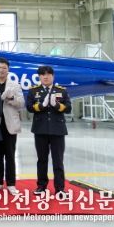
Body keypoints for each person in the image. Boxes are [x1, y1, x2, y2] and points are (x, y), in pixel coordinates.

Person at [26, 65, 72, 196]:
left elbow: (68, 108)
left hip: (58, 130)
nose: (45, 77)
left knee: (58, 160)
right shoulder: (33, 91)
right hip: (40, 130)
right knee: (42, 160)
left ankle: (60, 188)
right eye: (42, 75)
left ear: (53, 76)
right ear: (39, 77)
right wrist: (41, 105)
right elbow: (29, 107)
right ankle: (41, 186)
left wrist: (57, 105)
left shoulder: (61, 90)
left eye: (48, 74)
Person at [0, 57, 24, 195]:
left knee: (10, 155)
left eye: (4, 68)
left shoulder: (15, 85)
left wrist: (11, 99)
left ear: (8, 70)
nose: (1, 70)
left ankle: (11, 183)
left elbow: (21, 104)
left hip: (9, 124)